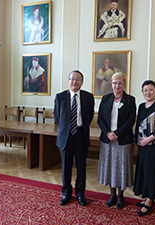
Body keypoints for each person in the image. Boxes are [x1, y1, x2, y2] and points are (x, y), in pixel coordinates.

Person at [54, 70, 94, 206]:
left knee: (81, 167)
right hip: (66, 136)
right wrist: (68, 128)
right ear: (68, 81)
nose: (74, 82)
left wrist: (78, 126)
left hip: (81, 135)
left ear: (82, 82)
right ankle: (66, 194)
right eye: (72, 79)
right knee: (66, 167)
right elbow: (57, 117)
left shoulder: (88, 97)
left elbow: (89, 116)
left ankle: (80, 194)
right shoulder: (60, 97)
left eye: (77, 79)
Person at [97, 72, 136, 210]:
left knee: (121, 168)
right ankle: (112, 194)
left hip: (122, 139)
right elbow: (100, 118)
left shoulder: (130, 100)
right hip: (107, 139)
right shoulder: (106, 98)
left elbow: (130, 120)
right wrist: (108, 133)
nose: (117, 85)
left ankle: (121, 195)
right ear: (111, 84)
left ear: (124, 84)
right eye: (114, 83)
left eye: (120, 83)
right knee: (109, 167)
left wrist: (117, 134)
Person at [133, 80, 155, 217]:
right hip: (143, 147)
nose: (148, 92)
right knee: (144, 172)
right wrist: (136, 143)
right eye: (145, 90)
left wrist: (149, 139)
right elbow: (138, 127)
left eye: (151, 90)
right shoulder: (141, 106)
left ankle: (149, 201)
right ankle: (146, 196)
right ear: (142, 92)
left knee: (153, 173)